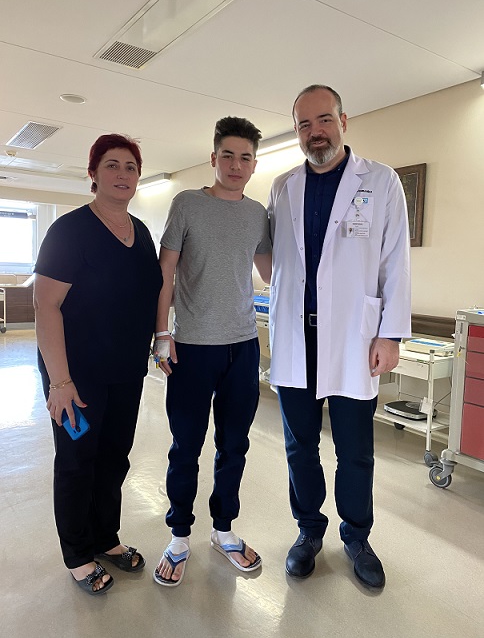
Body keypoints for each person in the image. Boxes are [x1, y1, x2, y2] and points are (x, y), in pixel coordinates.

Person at [267, 85, 411, 588]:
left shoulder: (382, 181)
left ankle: (356, 536)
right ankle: (309, 531)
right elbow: (277, 260)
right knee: (299, 447)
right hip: (296, 340)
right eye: (304, 125)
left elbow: (396, 261)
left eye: (324, 120)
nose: (315, 132)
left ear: (343, 121)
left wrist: (391, 335)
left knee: (355, 451)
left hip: (355, 339)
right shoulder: (283, 186)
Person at [34, 134, 163, 595]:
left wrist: (161, 341)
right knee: (76, 460)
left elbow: (149, 295)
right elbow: (45, 306)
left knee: (113, 458)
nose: (122, 174)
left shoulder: (141, 233)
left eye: (131, 167)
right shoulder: (69, 231)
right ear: (93, 173)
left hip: (126, 374)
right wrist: (59, 382)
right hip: (76, 377)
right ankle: (77, 554)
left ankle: (105, 538)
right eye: (112, 165)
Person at [153, 116, 272, 587]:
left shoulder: (257, 214)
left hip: (243, 346)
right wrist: (161, 334)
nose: (236, 165)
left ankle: (224, 530)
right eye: (228, 155)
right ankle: (179, 536)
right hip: (192, 346)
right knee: (186, 446)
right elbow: (165, 273)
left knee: (234, 445)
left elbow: (273, 272)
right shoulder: (187, 204)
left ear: (254, 164)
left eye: (245, 157)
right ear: (214, 158)